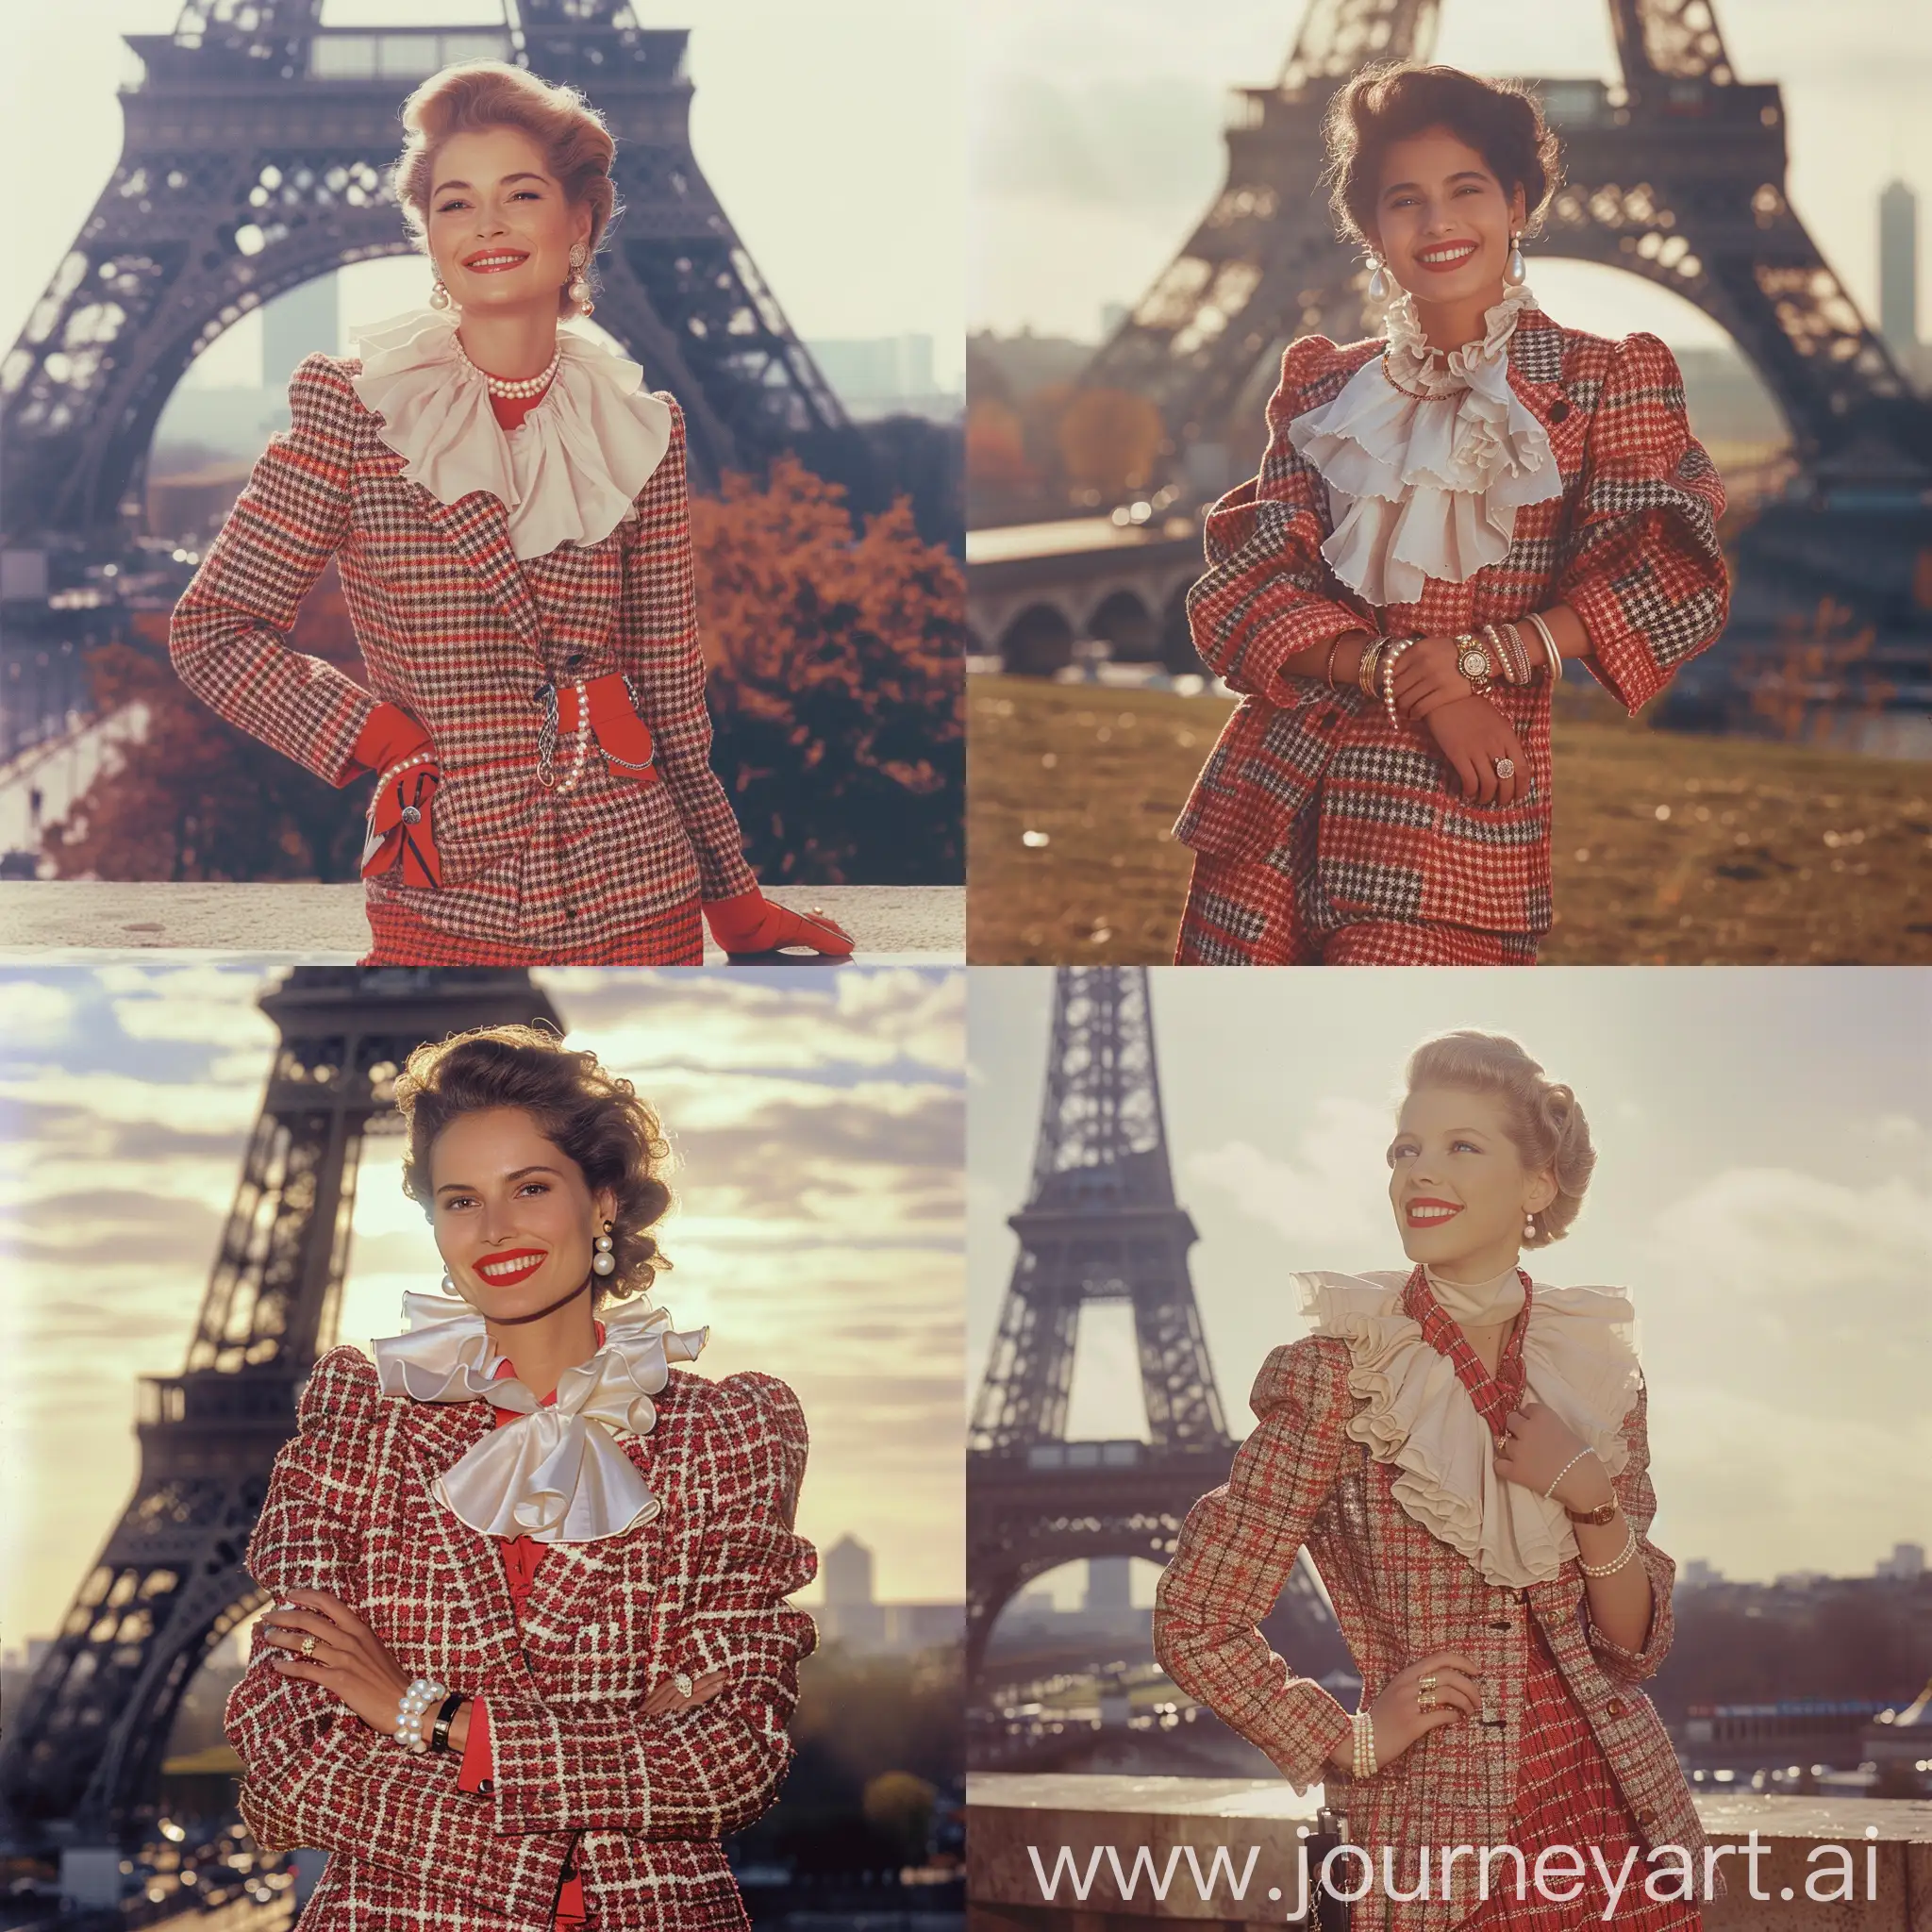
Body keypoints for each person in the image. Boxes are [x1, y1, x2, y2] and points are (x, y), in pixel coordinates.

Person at [170, 61, 853, 967]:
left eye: (519, 194)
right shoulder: (356, 410)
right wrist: (376, 735)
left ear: (579, 224)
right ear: (430, 237)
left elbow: (672, 702)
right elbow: (213, 629)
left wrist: (735, 903)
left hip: (639, 894)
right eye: (455, 204)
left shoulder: (643, 428)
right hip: (443, 894)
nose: (487, 224)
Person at [225, 1024, 816, 1930]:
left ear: (604, 1200)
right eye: (460, 1201)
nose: (494, 1229)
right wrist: (598, 1789)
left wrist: (421, 1712)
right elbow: (281, 1770)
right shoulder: (359, 1426)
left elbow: (728, 1765)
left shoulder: (725, 1435)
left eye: (531, 1188)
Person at [1154, 1032, 1713, 1930]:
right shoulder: (1341, 1375)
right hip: (1444, 1860)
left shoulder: (1598, 1372)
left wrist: (1588, 1493)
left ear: (1537, 1185)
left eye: (1462, 1146)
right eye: (1405, 1149)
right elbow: (1197, 1620)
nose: (1420, 1172)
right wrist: (1348, 1739)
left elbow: (1631, 1651)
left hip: (1624, 1832)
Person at [1173, 63, 1729, 966]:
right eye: (1405, 201)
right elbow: (1242, 590)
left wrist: (1483, 660)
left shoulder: (1602, 381)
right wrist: (1416, 678)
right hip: (1266, 827)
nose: (1437, 224)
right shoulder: (1323, 386)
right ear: (1371, 230)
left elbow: (1669, 578)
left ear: (1517, 202)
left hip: (1447, 833)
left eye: (1465, 190)